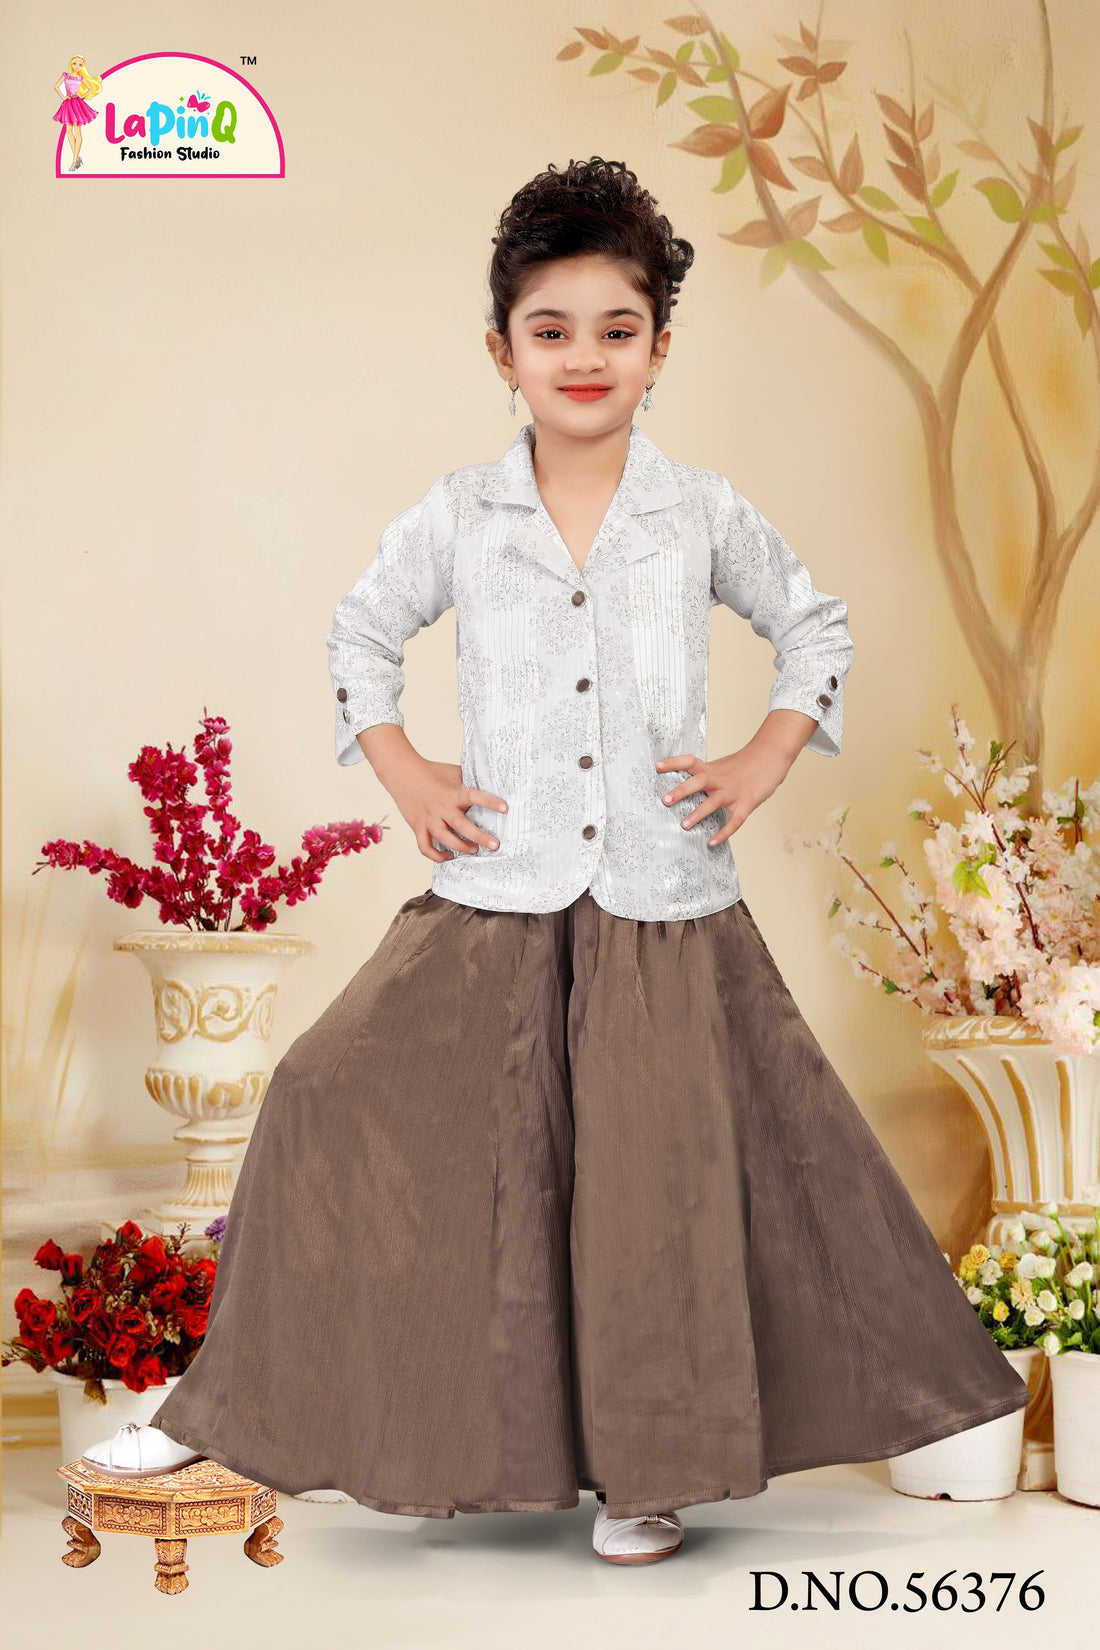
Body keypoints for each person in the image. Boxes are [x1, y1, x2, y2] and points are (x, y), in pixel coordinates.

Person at [81, 156, 1030, 1566]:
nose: (585, 356)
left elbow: (814, 627)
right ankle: (227, 1404)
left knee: (652, 1198)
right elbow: (361, 635)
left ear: (660, 348)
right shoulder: (461, 515)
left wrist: (761, 759)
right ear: (502, 351)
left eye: (616, 329)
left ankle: (649, 1472)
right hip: (497, 895)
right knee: (321, 1090)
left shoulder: (698, 511)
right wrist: (407, 773)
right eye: (551, 329)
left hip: (664, 910)